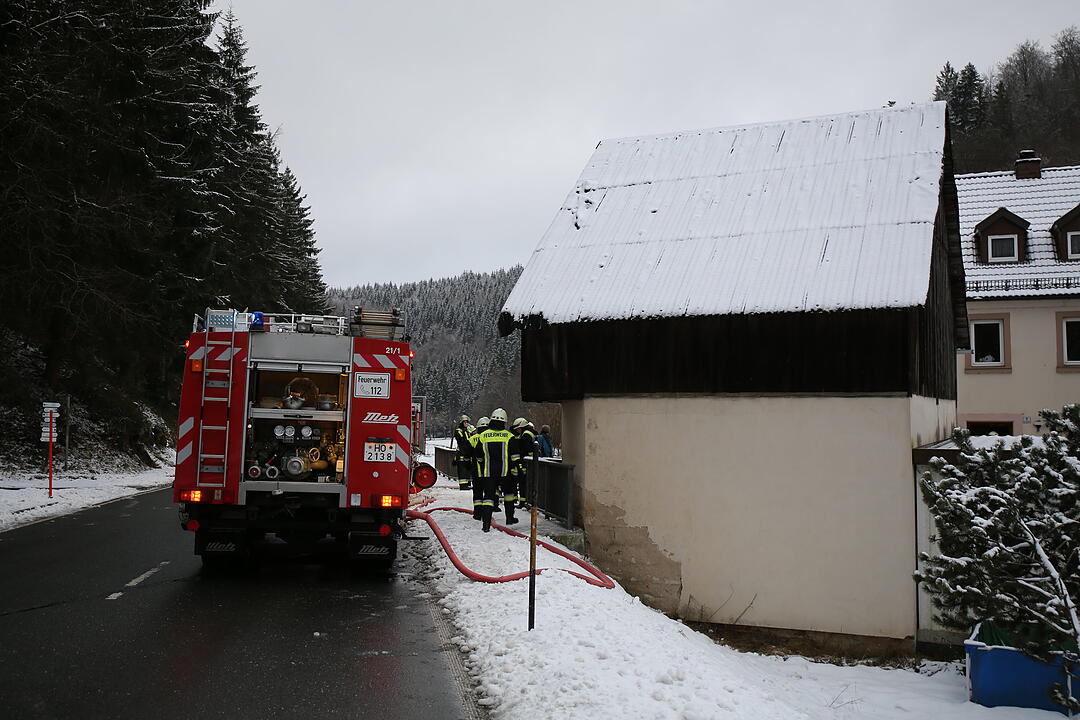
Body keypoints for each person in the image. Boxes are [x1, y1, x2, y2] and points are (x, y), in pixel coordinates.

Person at [472, 408, 514, 531]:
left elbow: (478, 455)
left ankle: (485, 525)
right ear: (504, 422)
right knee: (509, 495)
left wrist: (484, 462)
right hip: (505, 472)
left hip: (488, 472)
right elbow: (514, 455)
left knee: (488, 498)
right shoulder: (509, 436)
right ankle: (510, 519)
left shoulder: (483, 436)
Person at [510, 417, 538, 511]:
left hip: (526, 463)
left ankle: (523, 502)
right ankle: (526, 501)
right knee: (526, 483)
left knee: (523, 483)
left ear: (521, 426)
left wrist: (522, 463)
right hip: (530, 463)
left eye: (517, 428)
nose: (517, 431)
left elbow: (526, 450)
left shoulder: (525, 436)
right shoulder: (530, 433)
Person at [469, 416, 489, 520]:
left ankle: (477, 514)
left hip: (476, 471)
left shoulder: (472, 439)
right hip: (489, 471)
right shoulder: (490, 437)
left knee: (477, 493)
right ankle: (487, 513)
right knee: (488, 493)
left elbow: (466, 453)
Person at [452, 415, 473, 491]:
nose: (466, 423)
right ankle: (463, 485)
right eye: (465, 422)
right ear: (462, 422)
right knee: (462, 470)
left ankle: (468, 483)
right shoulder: (459, 431)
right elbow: (461, 440)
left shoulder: (467, 431)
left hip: (467, 452)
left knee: (468, 468)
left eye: (467, 422)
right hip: (461, 453)